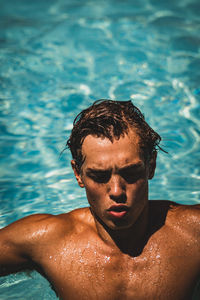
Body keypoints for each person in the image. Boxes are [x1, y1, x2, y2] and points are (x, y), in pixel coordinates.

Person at [0, 99, 199, 300]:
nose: (116, 191)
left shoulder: (192, 233)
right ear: (78, 174)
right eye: (99, 176)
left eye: (130, 173)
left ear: (151, 165)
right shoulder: (46, 242)